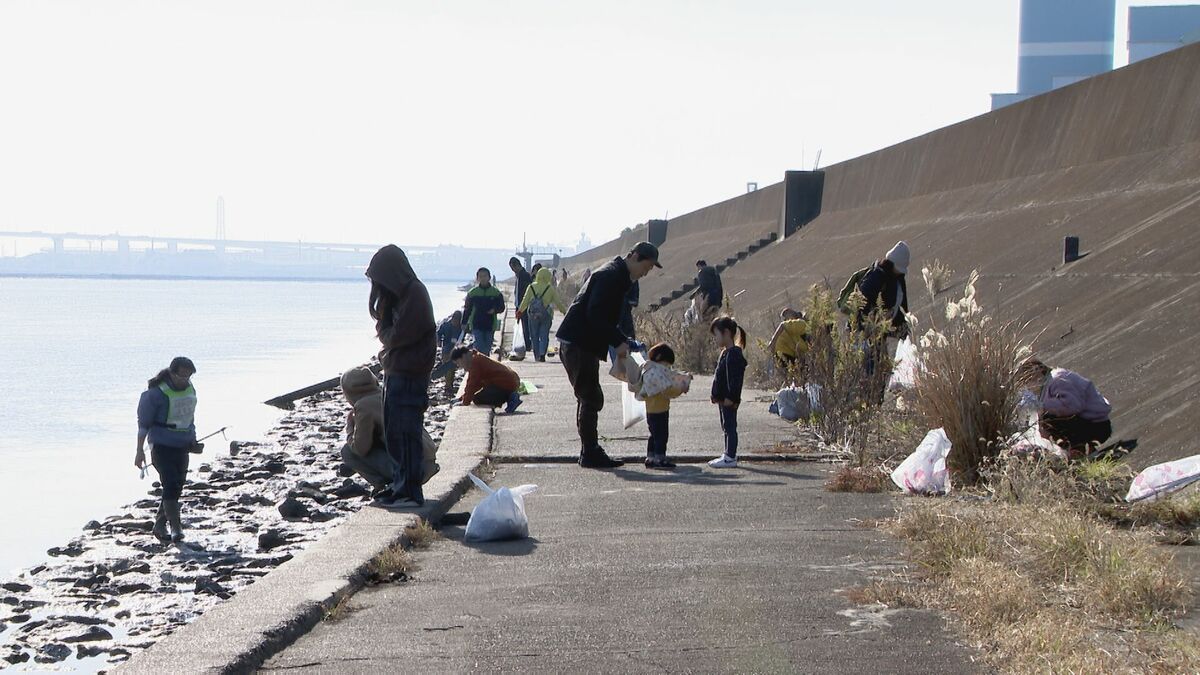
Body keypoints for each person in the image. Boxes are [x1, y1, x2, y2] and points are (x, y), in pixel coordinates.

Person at [556, 241, 662, 469]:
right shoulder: (611, 276)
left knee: (587, 396)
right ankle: (590, 452)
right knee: (591, 397)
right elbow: (595, 315)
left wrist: (622, 340)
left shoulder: (617, 275)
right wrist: (617, 341)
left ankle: (589, 450)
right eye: (647, 266)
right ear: (634, 257)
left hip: (579, 342)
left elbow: (605, 316)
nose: (647, 272)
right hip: (579, 343)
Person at [367, 244, 437, 509]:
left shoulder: (415, 293)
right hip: (396, 371)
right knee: (394, 432)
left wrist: (386, 337)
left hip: (411, 373)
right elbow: (389, 333)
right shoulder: (397, 296)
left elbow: (397, 336)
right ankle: (399, 486)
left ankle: (409, 491)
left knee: (407, 432)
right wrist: (387, 336)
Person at [136, 356, 199, 542]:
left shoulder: (189, 389)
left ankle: (159, 524)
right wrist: (139, 451)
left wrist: (193, 440)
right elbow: (143, 425)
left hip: (183, 445)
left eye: (188, 377)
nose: (185, 381)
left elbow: (190, 418)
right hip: (161, 446)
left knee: (177, 487)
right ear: (172, 374)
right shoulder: (154, 394)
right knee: (170, 484)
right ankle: (176, 528)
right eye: (182, 376)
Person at [1018, 359, 1113, 458]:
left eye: (1028, 374)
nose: (1026, 380)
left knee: (1048, 419)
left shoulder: (1058, 379)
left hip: (1097, 426)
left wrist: (1043, 407)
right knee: (1044, 420)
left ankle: (1080, 449)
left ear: (1039, 369)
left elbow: (1073, 405)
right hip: (1090, 423)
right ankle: (1077, 450)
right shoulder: (1047, 386)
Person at [855, 241, 911, 378]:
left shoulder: (897, 279)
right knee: (873, 373)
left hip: (879, 333)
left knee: (880, 371)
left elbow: (900, 308)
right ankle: (872, 397)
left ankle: (876, 396)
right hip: (868, 334)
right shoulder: (876, 277)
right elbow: (860, 306)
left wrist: (904, 330)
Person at [338, 366, 394, 496]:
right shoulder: (386, 394)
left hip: (410, 469)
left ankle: (385, 486)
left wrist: (350, 428)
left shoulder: (363, 405)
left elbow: (360, 449)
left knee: (347, 451)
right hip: (425, 459)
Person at [640, 343, 690, 469]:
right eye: (667, 365)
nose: (668, 368)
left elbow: (669, 376)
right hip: (660, 409)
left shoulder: (648, 370)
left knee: (653, 435)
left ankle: (650, 457)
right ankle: (660, 458)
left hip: (650, 410)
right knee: (662, 435)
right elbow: (668, 390)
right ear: (661, 359)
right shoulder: (657, 372)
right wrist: (681, 388)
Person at [708, 316, 747, 469]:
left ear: (726, 333)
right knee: (726, 426)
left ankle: (730, 456)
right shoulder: (726, 353)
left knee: (730, 426)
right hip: (722, 399)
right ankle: (727, 453)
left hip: (728, 400)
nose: (715, 339)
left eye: (716, 335)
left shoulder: (733, 355)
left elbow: (734, 380)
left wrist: (732, 397)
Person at [516, 267, 568, 362]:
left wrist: (519, 311)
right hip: (546, 314)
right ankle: (542, 353)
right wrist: (565, 311)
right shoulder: (550, 288)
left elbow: (525, 300)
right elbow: (558, 302)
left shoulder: (531, 287)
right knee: (544, 334)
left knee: (534, 335)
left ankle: (537, 356)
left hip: (532, 315)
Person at [451, 346, 523, 414]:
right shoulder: (476, 357)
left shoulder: (475, 362)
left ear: (463, 357)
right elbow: (477, 385)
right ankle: (509, 396)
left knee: (478, 399)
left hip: (506, 384)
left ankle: (510, 397)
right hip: (509, 381)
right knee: (478, 395)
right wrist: (461, 398)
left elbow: (472, 383)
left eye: (458, 362)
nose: (459, 366)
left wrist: (465, 402)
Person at [463, 267, 505, 356]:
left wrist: (494, 310)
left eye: (485, 276)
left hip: (490, 324)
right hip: (476, 324)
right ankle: (479, 366)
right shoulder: (472, 293)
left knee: (487, 347)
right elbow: (467, 309)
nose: (483, 278)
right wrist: (463, 322)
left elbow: (501, 307)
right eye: (480, 276)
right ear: (477, 278)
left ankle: (485, 366)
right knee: (478, 345)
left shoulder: (496, 293)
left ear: (489, 277)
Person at [767, 308, 809, 376]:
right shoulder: (802, 325)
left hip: (788, 351)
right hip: (783, 351)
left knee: (799, 372)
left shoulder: (801, 329)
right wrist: (772, 343)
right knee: (792, 374)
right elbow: (782, 325)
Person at [508, 257, 533, 353]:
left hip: (524, 305)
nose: (512, 270)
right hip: (520, 305)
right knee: (523, 325)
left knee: (526, 326)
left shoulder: (525, 276)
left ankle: (527, 345)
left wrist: (521, 306)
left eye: (512, 268)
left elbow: (525, 293)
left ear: (517, 265)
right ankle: (526, 344)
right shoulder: (518, 276)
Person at [436, 311, 463, 396]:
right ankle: (448, 387)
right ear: (453, 319)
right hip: (446, 349)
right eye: (455, 321)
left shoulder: (461, 327)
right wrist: (439, 341)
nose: (456, 323)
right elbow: (439, 333)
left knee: (452, 368)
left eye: (458, 321)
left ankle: (449, 385)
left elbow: (466, 333)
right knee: (447, 367)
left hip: (456, 350)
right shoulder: (446, 325)